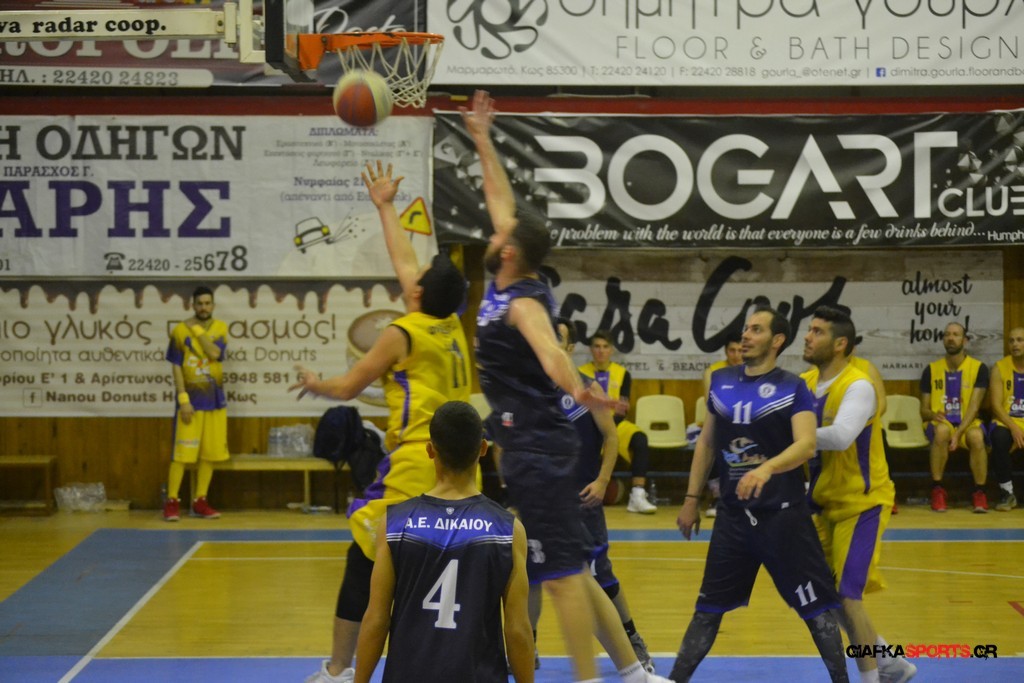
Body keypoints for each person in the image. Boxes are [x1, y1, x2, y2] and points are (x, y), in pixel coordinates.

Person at [463, 89, 670, 683]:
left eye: (500, 235)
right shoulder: (505, 275)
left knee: (559, 581)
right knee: (570, 571)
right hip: (531, 443)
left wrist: (579, 390)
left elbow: (552, 353)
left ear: (509, 252)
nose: (493, 232)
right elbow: (501, 201)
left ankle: (589, 677)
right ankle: (631, 672)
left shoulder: (523, 302)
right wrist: (482, 138)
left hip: (539, 447)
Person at [291, 161, 470, 683]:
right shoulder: (450, 322)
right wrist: (385, 206)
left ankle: (339, 671)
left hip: (416, 465)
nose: (410, 279)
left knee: (364, 564)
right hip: (461, 467)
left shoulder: (402, 332)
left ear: (418, 295)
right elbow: (406, 262)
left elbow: (349, 387)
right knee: (437, 573)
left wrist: (315, 383)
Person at [671, 305, 848, 683]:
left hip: (783, 519)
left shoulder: (793, 387)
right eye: (745, 329)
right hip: (733, 519)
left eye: (756, 329)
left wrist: (766, 468)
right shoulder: (720, 381)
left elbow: (806, 445)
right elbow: (706, 443)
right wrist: (691, 499)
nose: (745, 335)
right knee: (707, 610)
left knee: (816, 610)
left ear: (777, 340)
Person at [353, 401, 534, 683]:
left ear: (430, 450)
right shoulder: (508, 530)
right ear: (483, 449)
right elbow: (518, 629)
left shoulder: (395, 523)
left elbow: (376, 619)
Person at [526, 318, 656, 672]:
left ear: (569, 348)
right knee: (531, 577)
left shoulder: (588, 390)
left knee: (602, 577)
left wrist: (602, 481)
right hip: (541, 504)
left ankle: (632, 640)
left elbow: (612, 438)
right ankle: (528, 647)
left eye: (557, 338)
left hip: (582, 500)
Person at [801, 306, 917, 683]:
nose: (808, 337)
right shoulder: (803, 384)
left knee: (848, 595)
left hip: (862, 503)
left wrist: (791, 435)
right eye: (809, 329)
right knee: (825, 595)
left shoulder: (858, 385)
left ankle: (871, 679)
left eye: (817, 331)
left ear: (840, 344)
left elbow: (840, 436)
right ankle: (891, 663)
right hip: (822, 502)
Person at [164, 285, 229, 521]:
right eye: (199, 303)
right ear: (192, 305)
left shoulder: (220, 328)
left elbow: (214, 353)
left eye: (207, 303)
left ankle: (200, 501)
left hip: (214, 402)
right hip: (190, 403)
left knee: (209, 455)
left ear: (213, 305)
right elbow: (176, 366)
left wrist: (198, 330)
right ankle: (172, 501)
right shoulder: (179, 331)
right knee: (182, 454)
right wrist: (183, 399)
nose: (203, 307)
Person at [579, 330, 657, 513]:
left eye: (605, 347)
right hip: (588, 424)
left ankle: (637, 494)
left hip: (616, 423)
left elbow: (623, 408)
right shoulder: (579, 373)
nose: (601, 351)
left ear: (611, 350)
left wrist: (608, 426)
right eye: (597, 346)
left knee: (640, 439)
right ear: (591, 349)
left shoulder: (622, 374)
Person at [919, 322, 990, 513]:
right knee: (942, 431)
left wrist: (958, 434)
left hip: (968, 422)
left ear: (964, 340)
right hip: (941, 423)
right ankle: (937, 489)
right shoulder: (931, 370)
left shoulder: (979, 368)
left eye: (956, 335)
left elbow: (974, 407)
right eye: (947, 335)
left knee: (976, 436)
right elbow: (923, 410)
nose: (951, 338)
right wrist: (932, 414)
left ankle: (980, 492)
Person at [699, 332, 743, 518]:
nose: (736, 355)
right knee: (714, 442)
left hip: (747, 423)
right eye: (732, 350)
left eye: (740, 350)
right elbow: (712, 402)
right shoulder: (713, 372)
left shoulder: (753, 369)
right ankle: (718, 496)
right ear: (726, 352)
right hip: (721, 421)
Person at [988, 326, 1024, 511]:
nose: (1015, 344)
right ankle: (1007, 493)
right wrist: (1014, 428)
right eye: (1011, 341)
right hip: (1006, 421)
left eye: (1019, 340)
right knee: (1000, 437)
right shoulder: (999, 368)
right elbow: (996, 405)